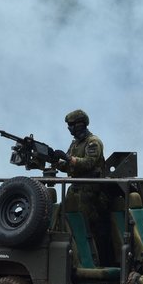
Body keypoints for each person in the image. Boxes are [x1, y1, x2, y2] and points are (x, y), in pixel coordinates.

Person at [54, 108, 108, 262]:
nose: (69, 128)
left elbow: (88, 163)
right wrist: (56, 161)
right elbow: (69, 166)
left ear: (80, 124)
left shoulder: (93, 142)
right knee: (62, 220)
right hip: (76, 189)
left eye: (71, 124)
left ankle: (91, 261)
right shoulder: (75, 144)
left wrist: (68, 158)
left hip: (90, 192)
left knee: (84, 226)